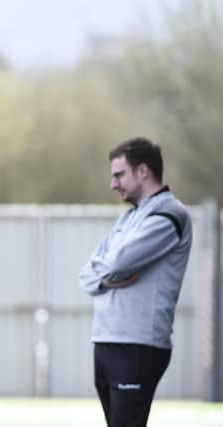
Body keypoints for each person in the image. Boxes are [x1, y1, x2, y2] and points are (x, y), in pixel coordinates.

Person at [79, 137, 192, 426]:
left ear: (143, 171)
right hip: (106, 339)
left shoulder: (169, 215)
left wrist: (105, 269)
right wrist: (106, 279)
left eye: (119, 175)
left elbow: (116, 262)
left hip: (137, 343)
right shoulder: (129, 219)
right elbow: (86, 276)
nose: (113, 184)